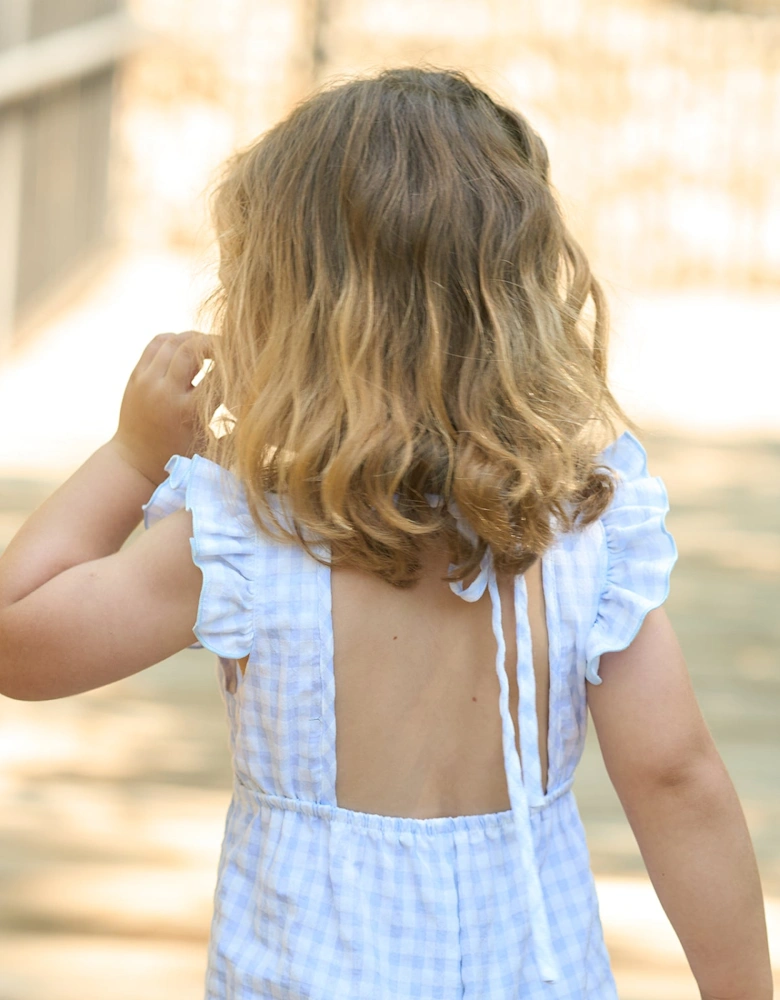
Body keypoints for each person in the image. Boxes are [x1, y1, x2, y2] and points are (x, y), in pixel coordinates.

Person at [0, 68, 771, 1000]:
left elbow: (20, 639)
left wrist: (132, 458)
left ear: (286, 312)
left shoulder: (245, 539)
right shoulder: (583, 539)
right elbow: (677, 780)